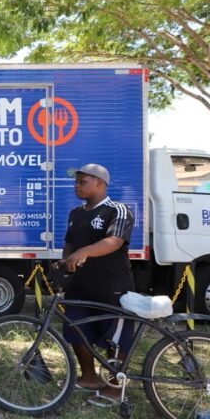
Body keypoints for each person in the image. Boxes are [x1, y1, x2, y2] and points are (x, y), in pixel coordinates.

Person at [58, 163, 135, 404]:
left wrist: (86, 252)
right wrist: (65, 260)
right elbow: (70, 243)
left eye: (83, 181)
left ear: (100, 184)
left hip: (111, 285)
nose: (76, 186)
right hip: (80, 286)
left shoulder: (118, 210)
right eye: (76, 181)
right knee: (76, 330)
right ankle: (89, 377)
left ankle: (114, 387)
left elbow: (114, 241)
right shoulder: (75, 214)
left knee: (116, 337)